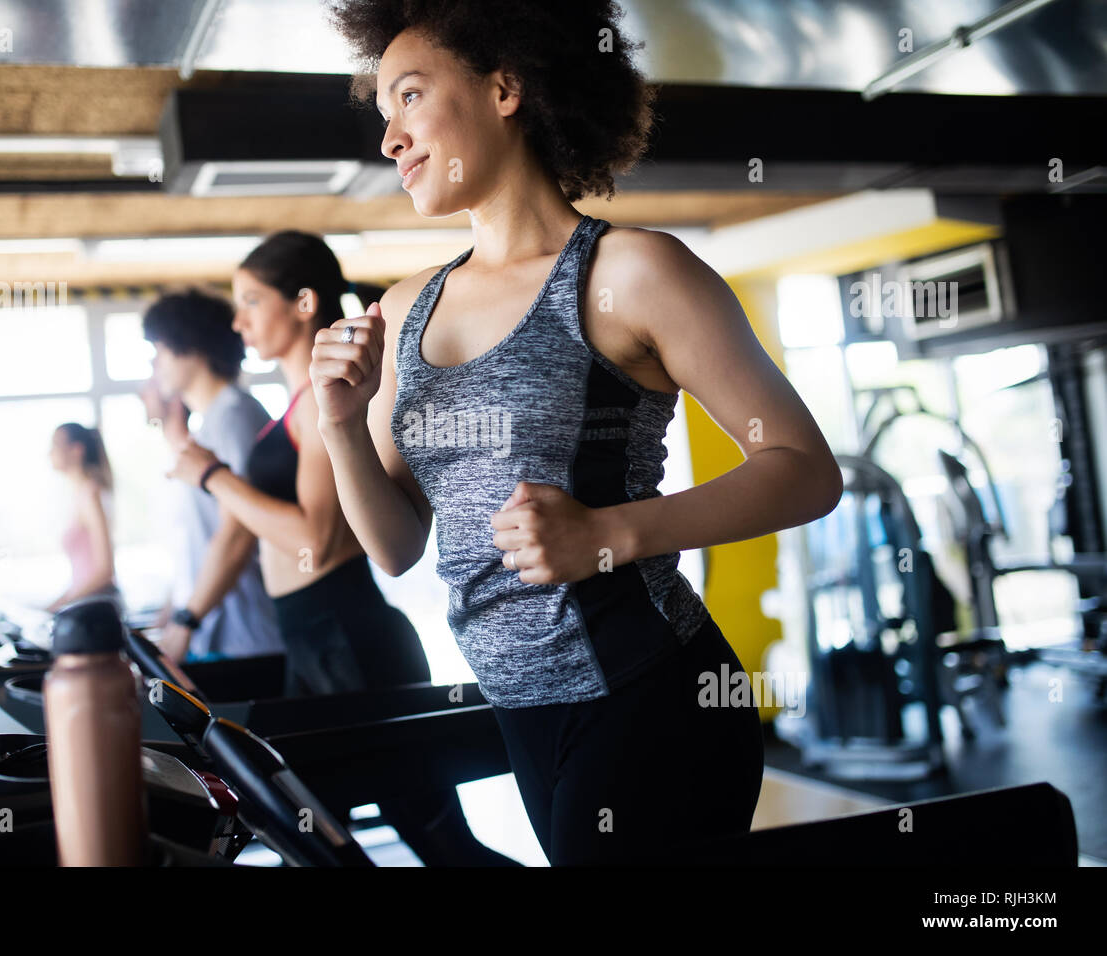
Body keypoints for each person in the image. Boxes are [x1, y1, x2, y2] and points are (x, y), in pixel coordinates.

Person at [308, 1, 845, 865]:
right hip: (521, 705)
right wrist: (338, 422)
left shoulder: (630, 272)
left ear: (505, 87)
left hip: (650, 693)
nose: (391, 140)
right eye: (383, 115)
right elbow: (396, 545)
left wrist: (606, 534)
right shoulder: (406, 311)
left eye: (409, 97)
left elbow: (805, 470)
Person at [167, 230, 518, 866]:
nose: (238, 320)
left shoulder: (319, 407)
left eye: (251, 301)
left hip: (349, 640)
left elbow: (315, 539)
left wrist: (212, 476)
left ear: (303, 302)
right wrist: (184, 621)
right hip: (310, 640)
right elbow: (248, 530)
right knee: (304, 834)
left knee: (437, 841)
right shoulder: (292, 409)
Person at [141, 289, 284, 664]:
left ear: (189, 347)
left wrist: (186, 620)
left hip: (245, 640)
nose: (156, 365)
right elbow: (200, 537)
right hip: (216, 634)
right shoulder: (211, 425)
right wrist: (173, 613)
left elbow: (237, 531)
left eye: (160, 351)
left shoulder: (235, 416)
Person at [45, 423, 119, 614]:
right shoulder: (78, 495)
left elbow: (105, 571)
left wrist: (60, 607)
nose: (49, 453)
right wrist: (53, 606)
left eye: (55, 445)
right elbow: (82, 576)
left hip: (96, 610)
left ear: (76, 450)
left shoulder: (90, 494)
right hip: (85, 604)